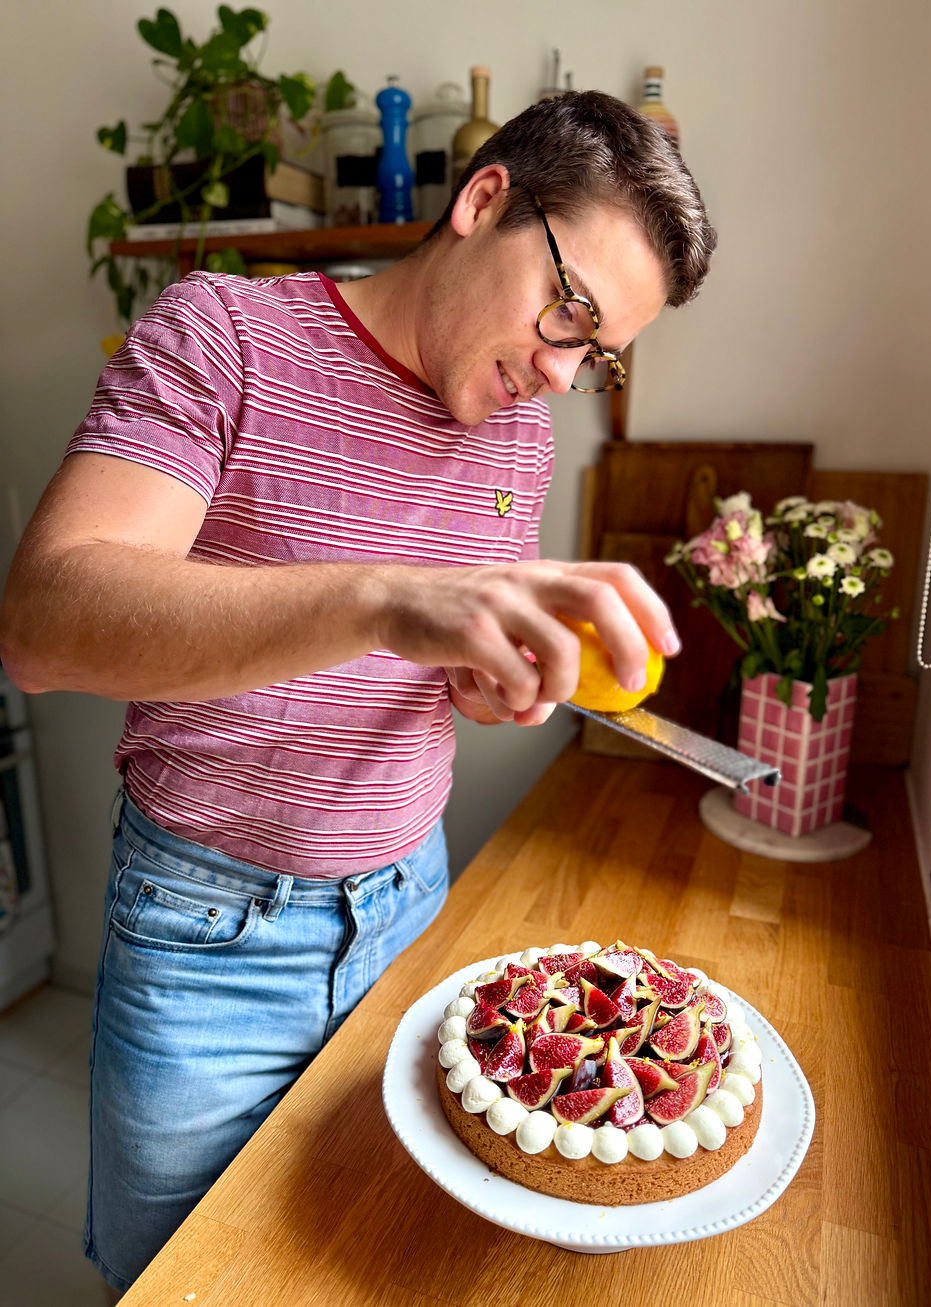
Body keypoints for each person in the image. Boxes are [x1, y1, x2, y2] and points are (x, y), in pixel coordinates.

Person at [0, 89, 716, 1296]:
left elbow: (432, 654)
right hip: (204, 934)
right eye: (568, 311)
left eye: (592, 355)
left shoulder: (517, 436)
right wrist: (391, 598)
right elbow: (45, 624)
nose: (556, 369)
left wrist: (478, 675)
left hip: (407, 910)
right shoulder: (221, 331)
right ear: (483, 200)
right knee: (182, 1281)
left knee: (360, 1266)